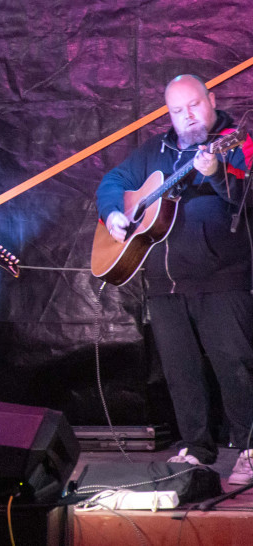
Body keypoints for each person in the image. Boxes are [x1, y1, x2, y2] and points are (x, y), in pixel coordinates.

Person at [96, 74, 253, 484]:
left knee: (234, 365)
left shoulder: (237, 140)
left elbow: (248, 196)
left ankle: (249, 447)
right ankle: (197, 447)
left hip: (222, 277)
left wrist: (218, 172)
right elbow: (112, 182)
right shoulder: (155, 149)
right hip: (165, 284)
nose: (188, 116)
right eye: (177, 111)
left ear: (212, 99)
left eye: (194, 105)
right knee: (180, 372)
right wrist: (115, 211)